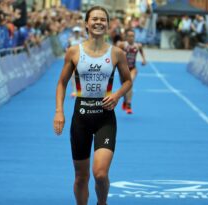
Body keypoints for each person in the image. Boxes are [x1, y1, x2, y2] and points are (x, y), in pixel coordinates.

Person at [53, 6, 132, 205]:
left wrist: (117, 96)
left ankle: (101, 203)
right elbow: (62, 83)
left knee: (100, 173)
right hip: (80, 118)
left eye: (102, 19)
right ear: (86, 24)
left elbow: (128, 81)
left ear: (108, 24)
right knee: (81, 177)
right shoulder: (74, 52)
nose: (98, 22)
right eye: (94, 19)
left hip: (105, 118)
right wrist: (59, 111)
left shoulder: (117, 53)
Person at [117, 29, 146, 114]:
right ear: (126, 37)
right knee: (124, 86)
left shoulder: (138, 45)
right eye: (129, 36)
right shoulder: (122, 44)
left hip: (133, 68)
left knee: (130, 83)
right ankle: (125, 100)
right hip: (123, 69)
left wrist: (144, 59)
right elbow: (115, 53)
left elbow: (141, 51)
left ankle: (129, 105)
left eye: (132, 36)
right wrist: (122, 53)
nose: (131, 37)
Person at [68, 26, 86, 98]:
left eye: (77, 32)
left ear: (79, 32)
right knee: (72, 76)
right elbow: (68, 48)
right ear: (73, 32)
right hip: (73, 59)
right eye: (75, 32)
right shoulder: (70, 40)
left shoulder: (83, 40)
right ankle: (74, 91)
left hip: (81, 59)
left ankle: (82, 90)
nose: (76, 33)